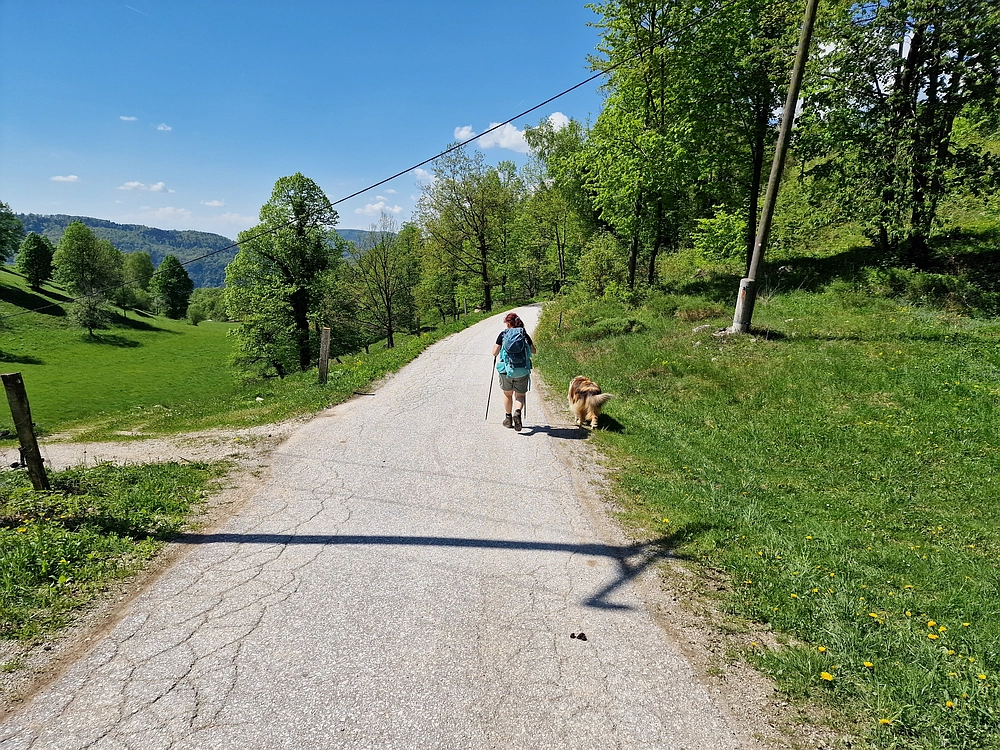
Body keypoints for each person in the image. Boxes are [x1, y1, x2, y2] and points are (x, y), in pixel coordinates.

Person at [492, 312, 536, 431]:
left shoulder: (503, 335)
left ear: (508, 323)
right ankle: (517, 412)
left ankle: (508, 419)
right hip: (522, 370)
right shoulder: (524, 335)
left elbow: (494, 352)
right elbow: (533, 351)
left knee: (507, 394)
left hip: (506, 371)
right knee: (520, 395)